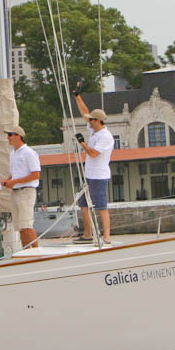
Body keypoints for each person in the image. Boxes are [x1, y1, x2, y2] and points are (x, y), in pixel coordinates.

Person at [74, 86, 115, 244]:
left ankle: (107, 236)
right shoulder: (94, 130)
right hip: (88, 175)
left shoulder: (106, 136)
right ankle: (88, 234)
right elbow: (85, 112)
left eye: (91, 120)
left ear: (98, 121)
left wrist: (82, 143)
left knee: (101, 206)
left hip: (99, 176)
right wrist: (78, 97)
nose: (88, 121)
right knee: (83, 204)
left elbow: (93, 153)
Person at [2, 124, 41, 251]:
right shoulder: (12, 154)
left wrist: (14, 182)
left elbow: (36, 175)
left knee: (27, 225)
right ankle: (27, 252)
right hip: (15, 192)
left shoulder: (29, 153)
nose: (8, 138)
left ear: (18, 136)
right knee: (20, 227)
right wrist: (7, 181)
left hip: (26, 191)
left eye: (10, 135)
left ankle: (37, 252)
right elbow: (15, 173)